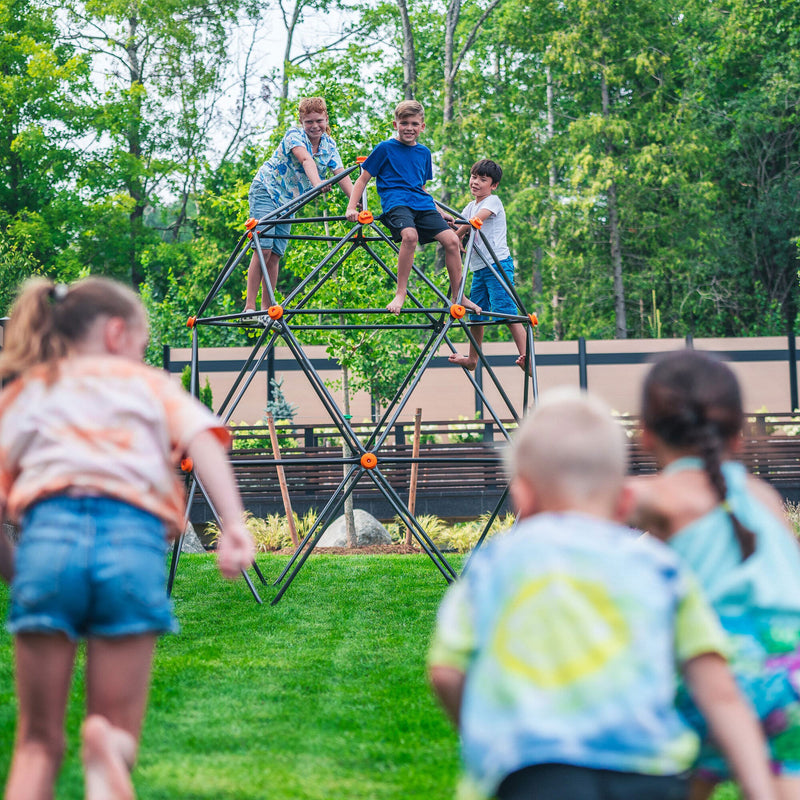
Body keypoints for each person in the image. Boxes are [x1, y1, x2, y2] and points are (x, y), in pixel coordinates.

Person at [428, 387, 777, 800]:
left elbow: (446, 672)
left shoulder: (494, 563)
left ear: (522, 493)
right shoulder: (659, 565)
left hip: (534, 775)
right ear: (626, 497)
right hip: (651, 774)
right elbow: (718, 688)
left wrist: (487, 732)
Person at [0, 277, 255, 800]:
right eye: (142, 340)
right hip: (132, 545)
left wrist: (15, 569)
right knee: (117, 727)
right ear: (118, 333)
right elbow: (203, 440)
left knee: (36, 744)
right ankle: (108, 748)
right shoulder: (149, 385)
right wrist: (234, 525)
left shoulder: (32, 388)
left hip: (48, 542)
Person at [629, 349, 800, 800]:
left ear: (645, 434)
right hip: (792, 664)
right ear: (739, 435)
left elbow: (581, 499)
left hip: (721, 660)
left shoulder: (659, 496)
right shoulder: (763, 496)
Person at [345, 99, 479, 315]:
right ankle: (401, 292)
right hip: (396, 203)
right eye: (404, 123)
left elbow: (421, 188)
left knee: (453, 240)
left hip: (422, 204)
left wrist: (440, 211)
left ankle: (459, 294)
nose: (409, 128)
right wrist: (352, 208)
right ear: (395, 124)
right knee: (410, 236)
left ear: (422, 126)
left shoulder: (424, 153)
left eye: (415, 124)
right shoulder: (385, 148)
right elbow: (362, 179)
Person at [245, 96, 354, 313]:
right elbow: (306, 160)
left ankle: (266, 308)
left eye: (319, 121)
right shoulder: (294, 135)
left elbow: (340, 173)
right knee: (263, 249)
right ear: (301, 122)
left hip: (289, 203)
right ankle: (249, 308)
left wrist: (356, 201)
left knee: (275, 254)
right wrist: (317, 184)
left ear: (326, 120)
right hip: (267, 190)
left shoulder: (329, 145)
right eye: (309, 122)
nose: (315, 126)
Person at [447, 159, 528, 372]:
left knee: (507, 312)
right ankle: (473, 359)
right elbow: (459, 223)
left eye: (483, 180)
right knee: (475, 314)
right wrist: (449, 229)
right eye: (474, 177)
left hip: (497, 264)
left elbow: (475, 221)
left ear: (493, 186)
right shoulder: (470, 205)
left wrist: (455, 238)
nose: (476, 182)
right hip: (478, 269)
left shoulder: (493, 202)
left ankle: (527, 358)